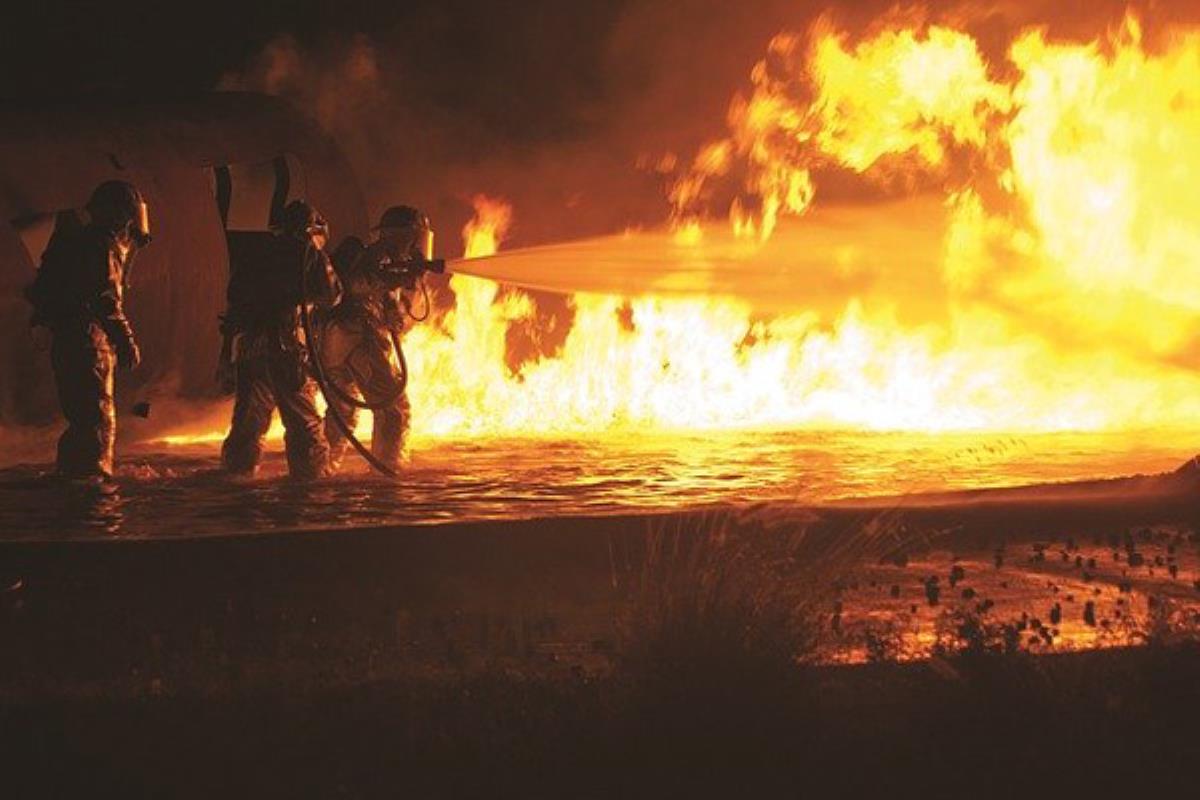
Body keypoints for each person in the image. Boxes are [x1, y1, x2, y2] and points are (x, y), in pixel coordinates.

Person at [25, 180, 152, 479]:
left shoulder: (72, 242)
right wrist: (127, 341)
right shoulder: (103, 246)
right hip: (90, 342)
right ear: (120, 214)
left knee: (80, 417)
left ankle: (71, 478)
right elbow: (106, 300)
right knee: (96, 417)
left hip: (68, 340)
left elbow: (43, 290)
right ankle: (91, 488)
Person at [219, 200, 342, 479]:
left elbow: (234, 301)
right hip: (286, 349)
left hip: (250, 348)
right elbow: (331, 295)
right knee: (305, 426)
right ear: (311, 229)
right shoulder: (310, 254)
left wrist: (226, 354)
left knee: (248, 424)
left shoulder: (255, 255)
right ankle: (309, 490)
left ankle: (235, 481)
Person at [321, 205, 435, 471]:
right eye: (417, 238)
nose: (419, 246)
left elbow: (391, 308)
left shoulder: (387, 261)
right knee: (393, 407)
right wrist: (399, 278)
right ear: (406, 235)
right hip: (359, 338)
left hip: (339, 342)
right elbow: (360, 285)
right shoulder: (377, 257)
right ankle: (388, 471)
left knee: (343, 412)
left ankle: (319, 471)